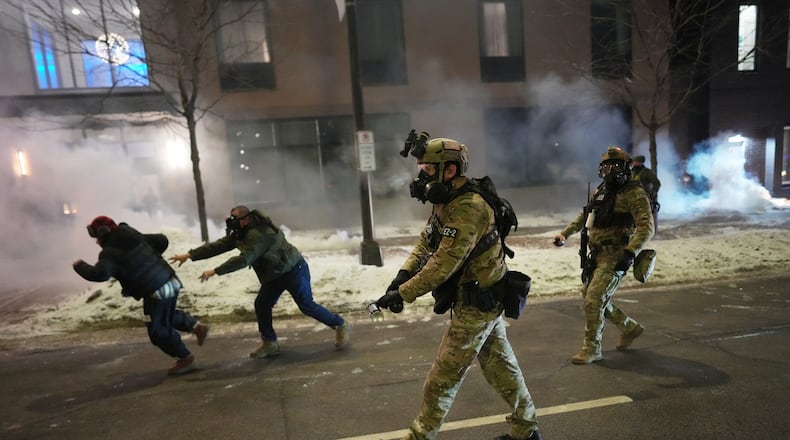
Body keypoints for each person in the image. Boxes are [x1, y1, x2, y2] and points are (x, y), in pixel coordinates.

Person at [376, 134, 541, 440]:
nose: (421, 177)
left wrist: (404, 293)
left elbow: (443, 264)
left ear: (449, 170)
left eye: (427, 169)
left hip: (478, 304)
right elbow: (427, 242)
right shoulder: (447, 201)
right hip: (478, 299)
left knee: (441, 380)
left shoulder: (469, 207)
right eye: (420, 169)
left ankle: (420, 436)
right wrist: (402, 275)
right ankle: (526, 429)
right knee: (500, 367)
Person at [169, 205, 350, 358]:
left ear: (246, 219)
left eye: (235, 219)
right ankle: (270, 343)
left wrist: (216, 271)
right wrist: (190, 255)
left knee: (307, 306)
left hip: (294, 270)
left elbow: (244, 259)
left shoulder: (259, 234)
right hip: (274, 275)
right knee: (262, 305)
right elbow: (219, 246)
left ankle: (339, 324)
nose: (232, 223)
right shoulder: (241, 233)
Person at [553, 146, 654, 365]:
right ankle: (630, 328)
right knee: (591, 296)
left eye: (615, 166)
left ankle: (592, 349)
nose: (610, 171)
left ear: (625, 168)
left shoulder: (633, 193)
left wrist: (630, 251)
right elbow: (585, 216)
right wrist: (564, 234)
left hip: (616, 256)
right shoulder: (601, 191)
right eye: (606, 167)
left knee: (594, 299)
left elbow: (647, 227)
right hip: (596, 255)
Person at [73, 216, 209, 375]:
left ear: (103, 234)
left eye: (97, 237)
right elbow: (161, 240)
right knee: (164, 315)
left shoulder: (109, 254)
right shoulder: (133, 235)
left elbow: (99, 274)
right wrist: (150, 258)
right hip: (171, 280)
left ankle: (185, 358)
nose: (96, 242)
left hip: (156, 290)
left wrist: (80, 266)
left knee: (158, 331)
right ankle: (197, 327)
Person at [631, 155, 661, 231]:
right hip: (633, 198)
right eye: (634, 162)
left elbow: (656, 183)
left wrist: (651, 194)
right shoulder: (632, 172)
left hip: (644, 199)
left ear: (641, 162)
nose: (634, 163)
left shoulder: (646, 172)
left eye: (636, 162)